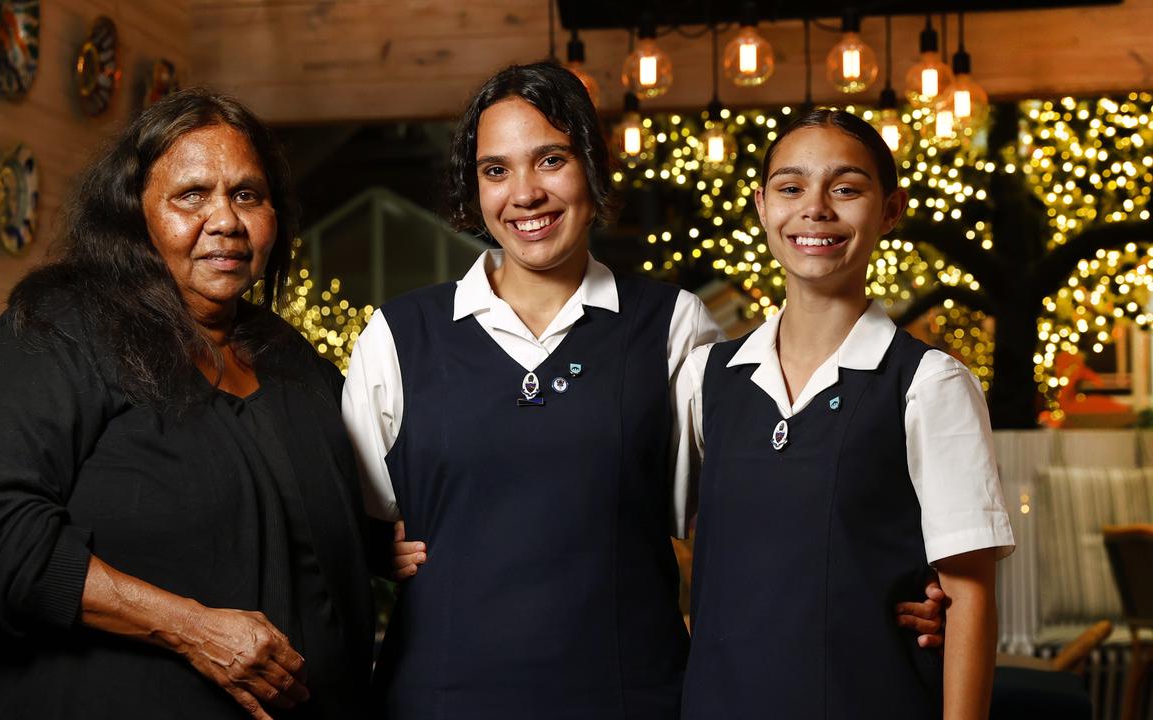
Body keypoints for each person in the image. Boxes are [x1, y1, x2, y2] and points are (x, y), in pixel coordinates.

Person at [342, 62, 946, 720]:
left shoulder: (675, 328)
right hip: (440, 701)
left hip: (630, 698)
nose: (524, 193)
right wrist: (372, 548)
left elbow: (768, 500)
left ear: (594, 168)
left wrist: (919, 581)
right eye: (496, 170)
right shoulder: (399, 337)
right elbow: (337, 527)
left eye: (551, 160)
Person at [0, 89, 375, 720]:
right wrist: (189, 628)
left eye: (247, 195)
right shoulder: (56, 331)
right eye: (192, 195)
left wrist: (374, 535)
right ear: (132, 213)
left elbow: (332, 500)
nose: (225, 220)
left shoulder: (288, 357)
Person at [678, 109, 1016, 719]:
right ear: (761, 206)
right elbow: (662, 532)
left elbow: (968, 596)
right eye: (791, 187)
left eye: (846, 188)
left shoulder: (930, 383)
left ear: (890, 210)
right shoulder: (709, 378)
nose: (815, 208)